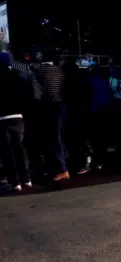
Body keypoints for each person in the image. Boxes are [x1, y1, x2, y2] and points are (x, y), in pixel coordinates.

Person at [31, 51, 70, 181]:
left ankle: (61, 169)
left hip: (49, 107)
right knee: (59, 137)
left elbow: (37, 93)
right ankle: (62, 166)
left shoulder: (39, 71)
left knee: (52, 139)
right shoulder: (59, 71)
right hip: (61, 105)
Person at [0, 52, 31, 192]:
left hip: (2, 118)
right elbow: (26, 96)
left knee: (7, 152)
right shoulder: (18, 78)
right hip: (17, 117)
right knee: (20, 149)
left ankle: (15, 182)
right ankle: (26, 179)